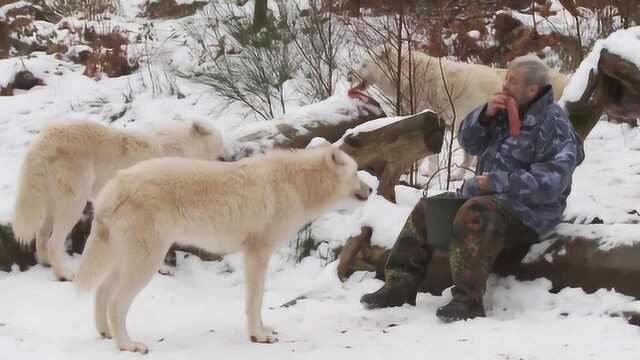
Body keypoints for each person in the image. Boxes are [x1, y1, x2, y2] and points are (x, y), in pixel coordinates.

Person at [360, 54, 585, 322]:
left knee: (476, 212)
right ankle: (400, 285)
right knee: (428, 209)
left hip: (530, 213)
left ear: (532, 89)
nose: (504, 85)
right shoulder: (502, 110)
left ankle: (468, 300)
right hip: (485, 200)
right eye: (506, 78)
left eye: (512, 81)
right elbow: (469, 143)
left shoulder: (555, 124)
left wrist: (497, 182)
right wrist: (485, 115)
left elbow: (552, 182)